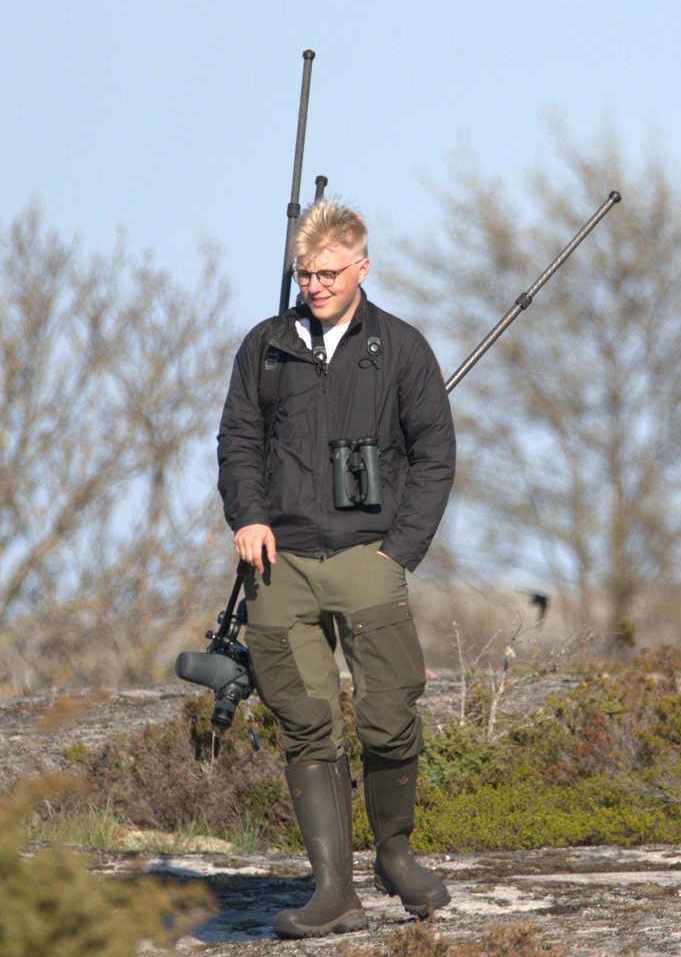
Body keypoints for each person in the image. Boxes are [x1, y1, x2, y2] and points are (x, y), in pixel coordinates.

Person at [216, 198, 457, 938]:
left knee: (388, 714)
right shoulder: (266, 348)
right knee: (307, 722)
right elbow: (238, 443)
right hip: (279, 562)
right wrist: (248, 516)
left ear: (361, 265)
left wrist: (399, 553)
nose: (313, 285)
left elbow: (435, 455)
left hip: (368, 559)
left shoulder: (402, 348)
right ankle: (332, 888)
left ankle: (395, 854)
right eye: (303, 272)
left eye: (326, 272)